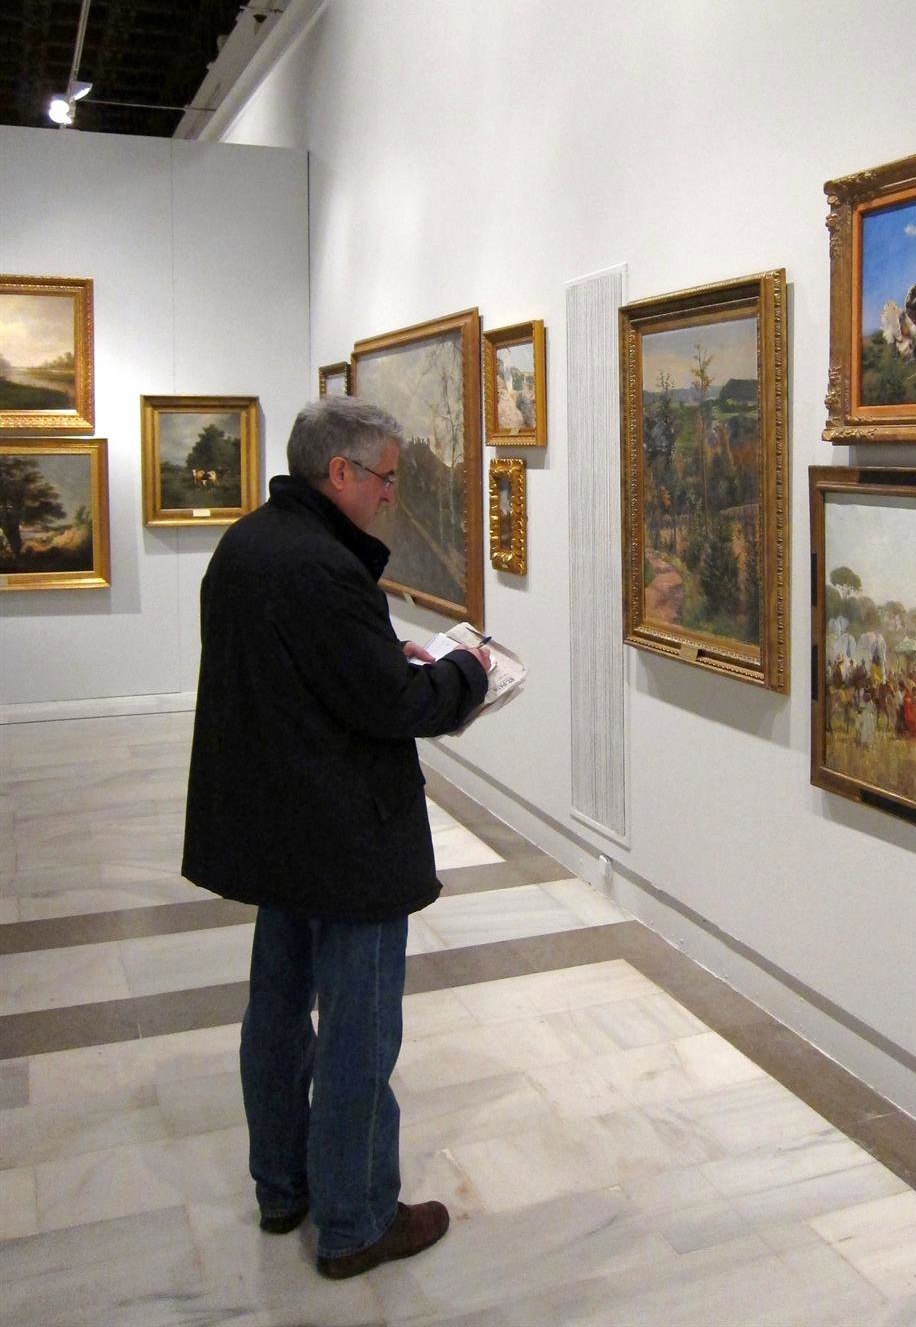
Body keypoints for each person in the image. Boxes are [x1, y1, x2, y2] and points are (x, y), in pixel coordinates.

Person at [182, 396, 491, 1281]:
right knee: (359, 1029)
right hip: (345, 836)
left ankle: (282, 1189)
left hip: (277, 828)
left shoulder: (248, 544)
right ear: (341, 471)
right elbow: (390, 705)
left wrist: (384, 658)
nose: (392, 494)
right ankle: (354, 1220)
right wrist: (467, 674)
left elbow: (311, 678)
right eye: (385, 477)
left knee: (278, 1015)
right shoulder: (321, 567)